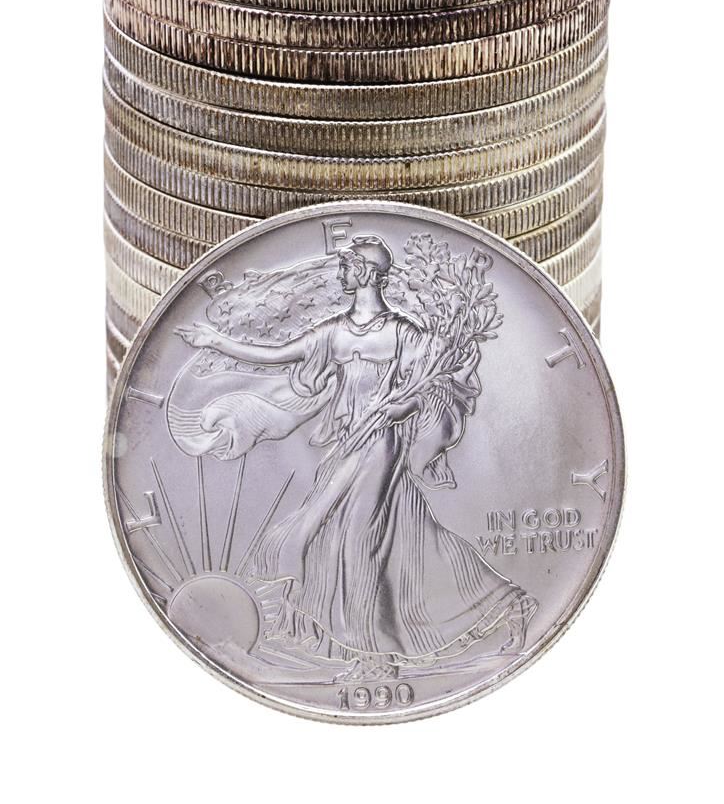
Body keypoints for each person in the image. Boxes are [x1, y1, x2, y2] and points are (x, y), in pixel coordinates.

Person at [174, 234, 533, 677]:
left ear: (365, 273)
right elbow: (275, 356)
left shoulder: (403, 333)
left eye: (346, 267)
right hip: (347, 443)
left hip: (382, 443)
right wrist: (216, 341)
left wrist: (406, 405)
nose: (340, 273)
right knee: (404, 536)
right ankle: (507, 604)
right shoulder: (334, 332)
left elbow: (441, 383)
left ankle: (373, 657)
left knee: (355, 540)